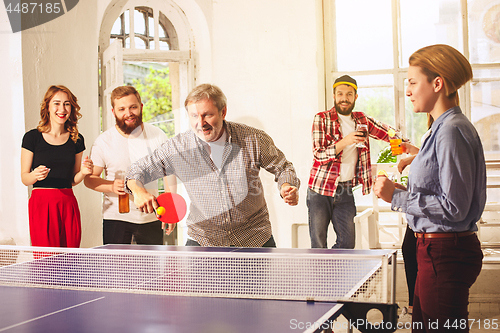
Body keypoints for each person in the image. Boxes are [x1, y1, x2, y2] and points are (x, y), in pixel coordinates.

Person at [374, 44, 486, 332]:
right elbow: (440, 191)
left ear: (437, 84)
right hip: (433, 251)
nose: (407, 91)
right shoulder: (442, 129)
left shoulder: (450, 131)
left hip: (444, 253)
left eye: (412, 82)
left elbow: (454, 207)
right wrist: (401, 190)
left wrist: (396, 196)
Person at [125, 83, 300, 247]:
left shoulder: (253, 139)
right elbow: (136, 172)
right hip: (203, 240)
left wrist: (287, 185)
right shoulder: (177, 148)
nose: (201, 123)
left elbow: (283, 167)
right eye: (194, 116)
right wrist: (138, 190)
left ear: (223, 112)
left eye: (207, 114)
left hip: (254, 238)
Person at [307, 74, 405, 249]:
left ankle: (335, 272)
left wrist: (407, 144)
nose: (344, 99)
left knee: (347, 243)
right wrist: (346, 140)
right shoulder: (321, 118)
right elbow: (319, 154)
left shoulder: (361, 120)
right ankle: (323, 275)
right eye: (340, 94)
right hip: (320, 190)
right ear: (334, 96)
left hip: (345, 190)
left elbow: (386, 131)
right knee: (318, 244)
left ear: (355, 97)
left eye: (349, 94)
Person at [85, 86, 175, 245]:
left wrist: (171, 209)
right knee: (116, 270)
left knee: (151, 269)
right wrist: (111, 186)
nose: (128, 113)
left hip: (151, 217)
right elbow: (90, 179)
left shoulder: (158, 135)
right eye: (122, 109)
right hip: (116, 220)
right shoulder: (103, 142)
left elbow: (169, 174)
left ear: (141, 107)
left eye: (133, 107)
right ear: (113, 112)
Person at [21, 85, 93, 247]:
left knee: (70, 260)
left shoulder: (77, 139)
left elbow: (73, 180)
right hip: (41, 204)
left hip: (67, 204)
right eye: (57, 103)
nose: (62, 108)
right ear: (47, 106)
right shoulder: (32, 137)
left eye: (67, 104)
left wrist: (83, 172)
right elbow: (25, 178)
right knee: (46, 261)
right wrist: (35, 175)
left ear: (71, 108)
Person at [398, 114, 433, 317]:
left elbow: (433, 161)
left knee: (412, 250)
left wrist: (412, 157)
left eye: (413, 83)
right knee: (409, 249)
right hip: (417, 204)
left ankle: (416, 306)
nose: (410, 91)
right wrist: (414, 153)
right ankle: (414, 306)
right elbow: (430, 157)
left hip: (425, 206)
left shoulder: (446, 129)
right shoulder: (433, 130)